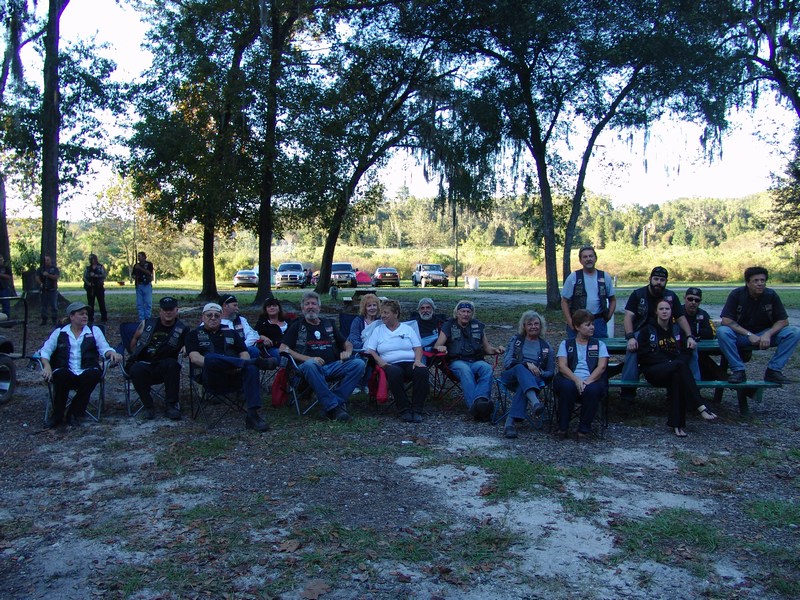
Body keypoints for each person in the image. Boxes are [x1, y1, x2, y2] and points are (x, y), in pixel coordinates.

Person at [184, 303, 272, 432]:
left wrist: (238, 365)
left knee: (251, 368)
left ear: (221, 317)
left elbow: (244, 354)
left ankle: (253, 415)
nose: (213, 318)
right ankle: (252, 363)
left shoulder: (231, 333)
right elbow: (195, 358)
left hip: (234, 375)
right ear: (202, 317)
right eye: (209, 315)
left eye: (217, 315)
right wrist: (227, 365)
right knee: (211, 358)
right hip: (211, 377)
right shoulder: (194, 335)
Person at [279, 291, 365, 422]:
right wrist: (309, 359)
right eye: (307, 304)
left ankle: (333, 403)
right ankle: (333, 407)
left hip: (333, 366)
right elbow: (283, 348)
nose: (310, 306)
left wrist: (347, 351)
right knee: (311, 365)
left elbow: (347, 343)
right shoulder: (297, 325)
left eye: (313, 304)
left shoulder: (328, 324)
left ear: (319, 307)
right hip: (307, 368)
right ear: (302, 308)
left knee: (359, 364)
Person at [638, 299, 718, 437]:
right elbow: (644, 356)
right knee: (679, 366)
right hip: (654, 371)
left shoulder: (677, 329)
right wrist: (670, 362)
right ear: (656, 312)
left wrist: (674, 363)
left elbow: (686, 352)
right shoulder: (647, 330)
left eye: (667, 309)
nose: (664, 311)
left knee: (677, 377)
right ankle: (700, 405)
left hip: (674, 369)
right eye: (661, 309)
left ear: (671, 312)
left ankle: (677, 425)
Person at [38, 302, 122, 428]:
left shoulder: (94, 331)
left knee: (93, 374)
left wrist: (112, 353)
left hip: (86, 369)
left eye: (86, 314)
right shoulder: (60, 332)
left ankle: (73, 413)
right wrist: (47, 365)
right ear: (71, 316)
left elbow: (104, 348)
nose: (85, 316)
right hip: (66, 369)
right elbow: (45, 351)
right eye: (81, 314)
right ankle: (57, 416)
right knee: (61, 375)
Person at [620, 266, 696, 400]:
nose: (658, 282)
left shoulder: (670, 296)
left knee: (691, 348)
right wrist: (630, 336)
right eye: (656, 279)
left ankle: (694, 387)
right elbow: (628, 316)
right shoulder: (638, 294)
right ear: (650, 279)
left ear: (666, 281)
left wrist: (690, 336)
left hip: (666, 331)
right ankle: (628, 391)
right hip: (641, 332)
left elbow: (680, 317)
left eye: (662, 280)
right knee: (632, 349)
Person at [717, 266, 800, 384]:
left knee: (794, 332)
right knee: (722, 331)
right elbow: (726, 320)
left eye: (762, 280)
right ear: (748, 283)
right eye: (756, 281)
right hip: (742, 335)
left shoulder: (771, 295)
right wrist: (749, 334)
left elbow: (783, 321)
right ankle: (738, 371)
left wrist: (768, 334)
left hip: (765, 335)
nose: (760, 283)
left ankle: (774, 370)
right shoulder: (737, 294)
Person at [433, 300, 503, 421]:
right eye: (463, 311)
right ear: (457, 313)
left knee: (487, 368)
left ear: (472, 314)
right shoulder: (449, 325)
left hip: (475, 360)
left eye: (468, 312)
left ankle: (481, 402)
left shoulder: (478, 326)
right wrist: (441, 347)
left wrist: (497, 349)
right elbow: (437, 345)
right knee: (465, 370)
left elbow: (487, 348)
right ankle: (476, 408)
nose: (465, 314)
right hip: (456, 362)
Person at [365, 299, 429, 423]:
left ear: (396, 313)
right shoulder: (378, 330)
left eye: (386, 313)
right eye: (382, 313)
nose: (383, 315)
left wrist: (417, 360)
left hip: (410, 362)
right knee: (395, 372)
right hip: (390, 364)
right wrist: (381, 362)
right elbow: (371, 350)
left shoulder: (407, 329)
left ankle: (417, 410)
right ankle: (404, 409)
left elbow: (418, 347)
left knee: (422, 371)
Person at [127, 296, 188, 420]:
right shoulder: (147, 324)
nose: (168, 312)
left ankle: (171, 406)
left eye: (171, 309)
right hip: (145, 363)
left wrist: (186, 347)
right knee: (136, 369)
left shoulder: (182, 329)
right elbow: (134, 340)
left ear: (177, 310)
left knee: (173, 365)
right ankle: (148, 406)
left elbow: (189, 345)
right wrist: (134, 354)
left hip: (165, 364)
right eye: (165, 309)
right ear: (160, 311)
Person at [553, 309, 608, 439]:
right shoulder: (566, 344)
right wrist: (577, 380)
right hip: (570, 378)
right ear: (577, 327)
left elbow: (601, 367)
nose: (592, 327)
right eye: (588, 325)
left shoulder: (599, 345)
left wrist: (587, 382)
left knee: (592, 390)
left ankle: (584, 429)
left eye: (593, 324)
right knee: (567, 387)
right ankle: (562, 427)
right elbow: (562, 366)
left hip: (592, 379)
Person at [500, 310, 555, 439]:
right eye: (529, 324)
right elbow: (507, 362)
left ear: (541, 326)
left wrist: (540, 372)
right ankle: (535, 402)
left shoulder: (546, 346)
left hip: (533, 379)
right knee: (520, 368)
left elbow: (551, 372)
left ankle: (509, 425)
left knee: (523, 385)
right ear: (524, 326)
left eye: (536, 324)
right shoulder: (516, 340)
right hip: (511, 376)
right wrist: (526, 364)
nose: (533, 326)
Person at [560, 246, 616, 338]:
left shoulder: (604, 276)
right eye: (585, 257)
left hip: (598, 322)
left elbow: (612, 299)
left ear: (595, 258)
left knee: (599, 346)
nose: (588, 259)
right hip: (578, 322)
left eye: (591, 256)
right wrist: (570, 322)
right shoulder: (573, 277)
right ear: (580, 260)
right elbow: (564, 301)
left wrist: (607, 317)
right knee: (577, 346)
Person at [683, 287, 725, 381]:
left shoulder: (703, 314)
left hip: (699, 349)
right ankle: (723, 377)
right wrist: (697, 332)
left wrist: (692, 333)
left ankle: (722, 378)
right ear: (684, 298)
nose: (693, 302)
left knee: (701, 358)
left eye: (696, 300)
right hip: (681, 349)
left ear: (700, 301)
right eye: (690, 299)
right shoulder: (678, 313)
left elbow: (711, 333)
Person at [219, 294, 263, 360]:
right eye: (234, 305)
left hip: (243, 350)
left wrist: (241, 347)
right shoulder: (215, 321)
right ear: (225, 305)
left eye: (237, 306)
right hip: (224, 351)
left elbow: (253, 335)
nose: (237, 308)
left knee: (254, 350)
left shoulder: (241, 320)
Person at [254, 296, 293, 361]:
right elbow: (254, 334)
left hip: (291, 346)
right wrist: (262, 337)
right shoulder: (262, 323)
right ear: (265, 310)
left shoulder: (288, 321)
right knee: (281, 354)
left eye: (274, 305)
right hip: (274, 348)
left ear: (279, 308)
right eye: (269, 306)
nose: (272, 308)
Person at [83, 253, 108, 323]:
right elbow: (84, 277)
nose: (91, 260)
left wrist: (96, 275)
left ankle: (104, 318)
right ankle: (90, 318)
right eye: (90, 259)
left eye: (92, 259)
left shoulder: (100, 267)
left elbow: (104, 275)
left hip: (99, 287)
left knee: (101, 303)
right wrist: (88, 283)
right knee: (90, 304)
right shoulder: (88, 268)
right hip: (90, 288)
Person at [36, 254, 60, 326]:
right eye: (45, 260)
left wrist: (48, 275)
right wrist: (40, 283)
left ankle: (54, 319)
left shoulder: (54, 269)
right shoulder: (40, 269)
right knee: (44, 306)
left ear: (50, 260)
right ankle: (44, 320)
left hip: (53, 290)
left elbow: (56, 277)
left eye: (48, 260)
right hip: (44, 290)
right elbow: (37, 277)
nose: (46, 261)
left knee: (54, 305)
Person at [132, 251, 154, 322]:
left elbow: (149, 273)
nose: (138, 258)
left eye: (140, 256)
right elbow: (133, 275)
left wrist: (140, 268)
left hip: (146, 285)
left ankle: (148, 319)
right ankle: (141, 319)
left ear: (144, 257)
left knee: (148, 303)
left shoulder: (149, 264)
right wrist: (136, 277)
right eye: (138, 256)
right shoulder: (136, 265)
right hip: (139, 285)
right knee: (139, 303)